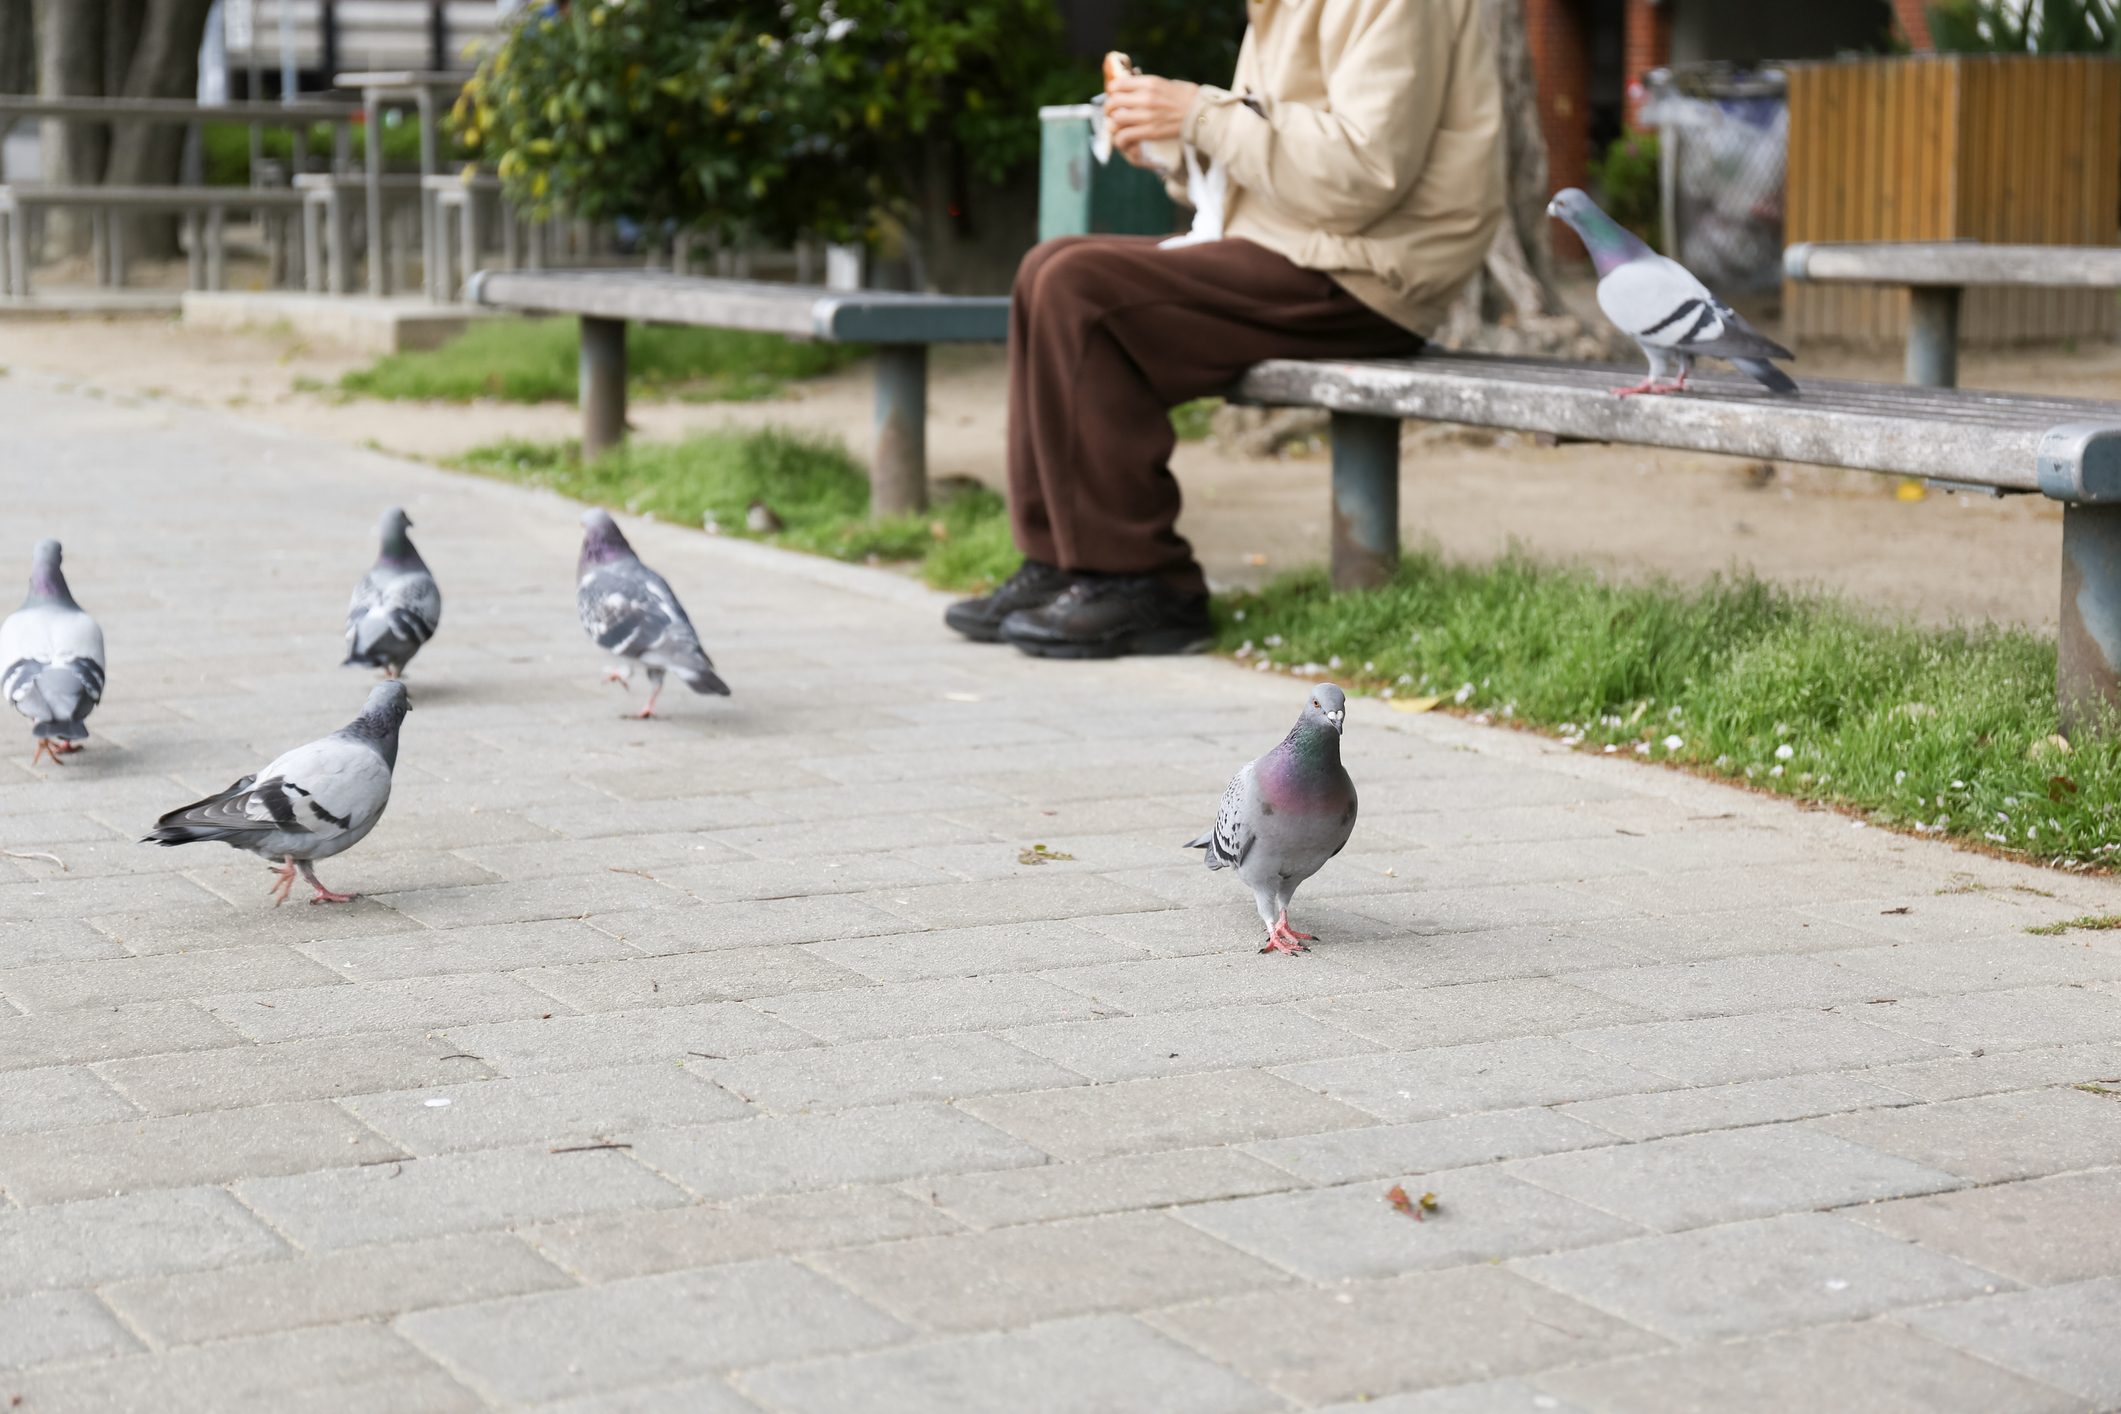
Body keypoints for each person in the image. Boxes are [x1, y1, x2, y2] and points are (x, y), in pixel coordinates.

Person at [945, 0, 1506, 658]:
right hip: (1295, 247)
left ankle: (1144, 584)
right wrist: (1175, 144)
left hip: (1371, 271)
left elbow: (1360, 177)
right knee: (1047, 267)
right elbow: (1272, 162)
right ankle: (1062, 561)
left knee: (1079, 287)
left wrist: (1200, 116)